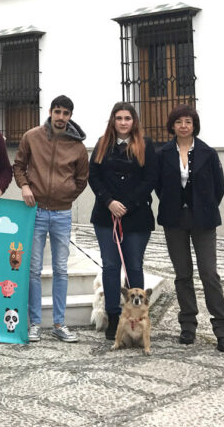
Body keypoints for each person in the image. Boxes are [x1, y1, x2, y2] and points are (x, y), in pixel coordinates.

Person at [156, 104, 224, 353]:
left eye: (188, 121)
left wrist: (204, 206)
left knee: (209, 273)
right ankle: (187, 325)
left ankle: (222, 329)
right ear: (172, 125)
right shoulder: (163, 153)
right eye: (178, 121)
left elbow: (218, 187)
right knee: (183, 274)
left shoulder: (208, 153)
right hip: (175, 221)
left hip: (204, 221)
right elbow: (160, 186)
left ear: (194, 125)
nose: (183, 126)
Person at [12, 95, 89, 343]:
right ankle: (34, 323)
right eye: (57, 112)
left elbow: (81, 179)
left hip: (62, 214)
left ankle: (59, 323)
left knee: (61, 269)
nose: (61, 117)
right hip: (34, 212)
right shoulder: (31, 137)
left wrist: (65, 196)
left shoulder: (77, 146)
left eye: (66, 113)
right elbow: (19, 165)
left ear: (70, 116)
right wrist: (24, 186)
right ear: (50, 111)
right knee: (33, 269)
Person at [88, 102, 156, 341]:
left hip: (136, 217)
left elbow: (150, 179)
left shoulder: (145, 145)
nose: (124, 122)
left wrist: (126, 204)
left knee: (134, 267)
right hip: (106, 217)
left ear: (133, 121)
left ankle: (137, 317)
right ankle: (114, 316)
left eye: (128, 118)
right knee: (110, 266)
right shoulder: (102, 144)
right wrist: (109, 202)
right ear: (113, 121)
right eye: (119, 118)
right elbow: (93, 176)